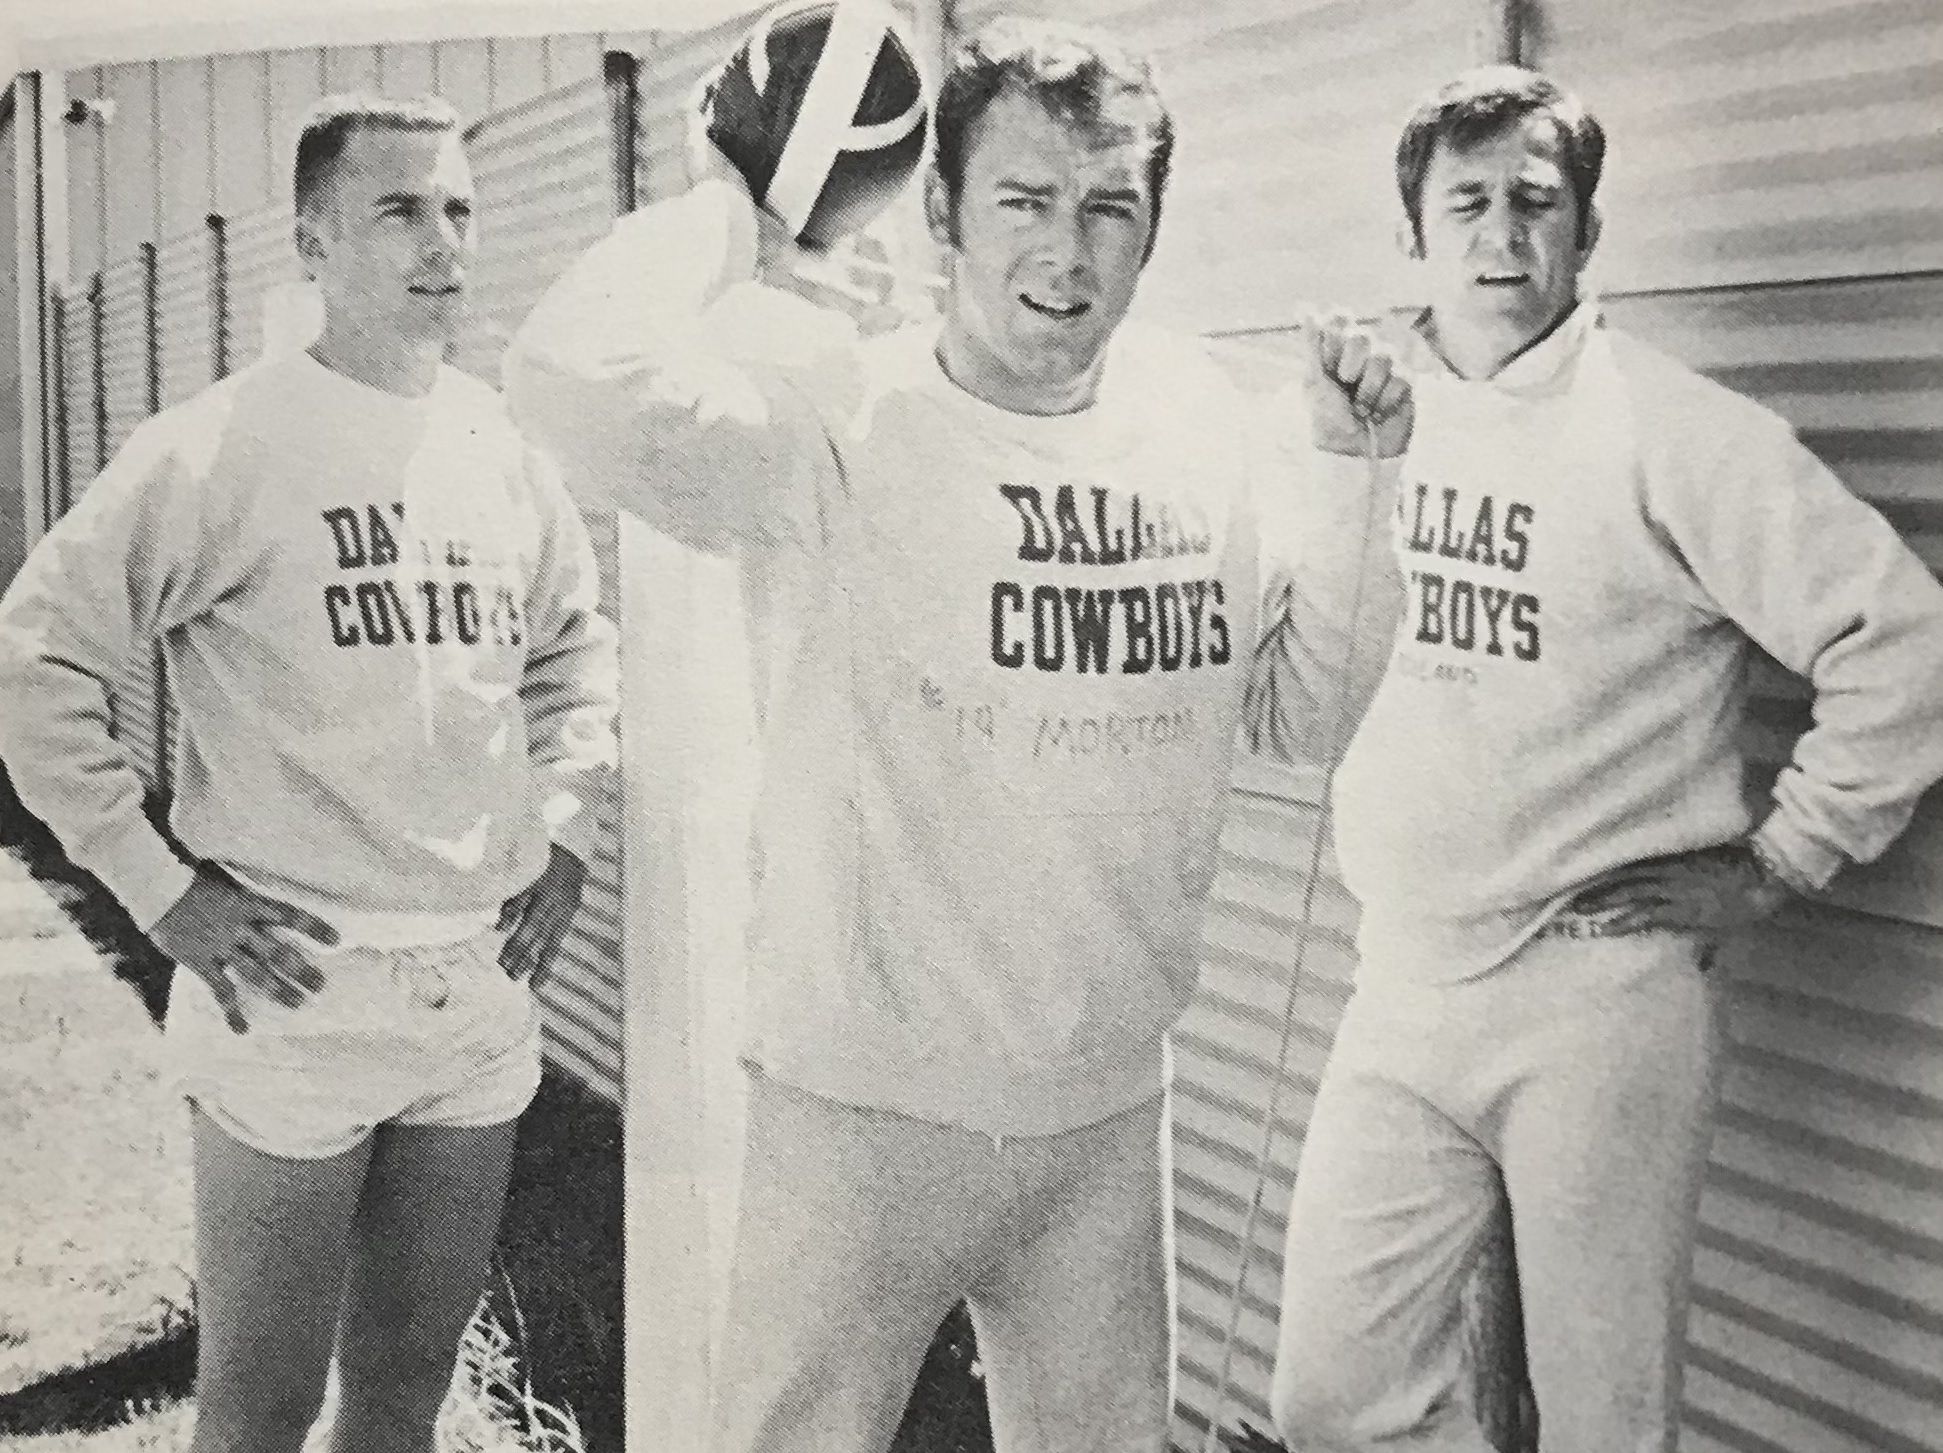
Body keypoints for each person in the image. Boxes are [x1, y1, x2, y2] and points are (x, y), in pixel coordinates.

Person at [505, 14, 1407, 1453]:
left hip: (1107, 1114)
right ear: (940, 212)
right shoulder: (836, 419)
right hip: (862, 1112)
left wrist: (1365, 485)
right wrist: (733, 208)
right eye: (1025, 202)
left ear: (1155, 225)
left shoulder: (1202, 420)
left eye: (1112, 208)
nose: (1068, 254)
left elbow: (1305, 712)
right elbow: (564, 376)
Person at [1269, 65, 1943, 1453]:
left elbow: (1904, 636)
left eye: (1538, 202)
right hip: (1400, 978)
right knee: (1332, 1402)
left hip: (1599, 997)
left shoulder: (1671, 430)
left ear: (1587, 232)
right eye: (1468, 202)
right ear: (1414, 232)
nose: (1503, 238)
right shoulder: (1361, 418)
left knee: (1604, 1423)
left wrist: (1784, 855)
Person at [0, 94, 618, 1453]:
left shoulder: (503, 447)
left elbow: (576, 655)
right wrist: (159, 891)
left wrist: (566, 821)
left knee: (404, 1386)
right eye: (399, 209)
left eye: (460, 208)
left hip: (472, 992)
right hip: (292, 991)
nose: (442, 242)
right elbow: (34, 660)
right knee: (259, 1407)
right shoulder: (222, 447)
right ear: (312, 241)